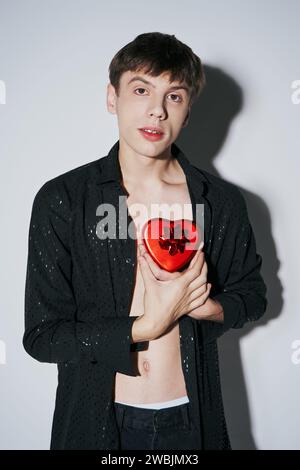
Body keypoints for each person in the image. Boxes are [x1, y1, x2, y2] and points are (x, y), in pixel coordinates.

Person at [23, 32, 268, 450]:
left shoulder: (220, 201)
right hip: (99, 423)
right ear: (112, 98)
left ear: (188, 112)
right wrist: (145, 326)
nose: (156, 110)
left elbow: (253, 295)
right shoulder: (64, 198)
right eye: (141, 90)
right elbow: (43, 336)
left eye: (174, 96)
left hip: (192, 418)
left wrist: (210, 307)